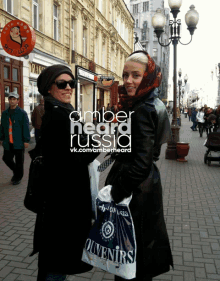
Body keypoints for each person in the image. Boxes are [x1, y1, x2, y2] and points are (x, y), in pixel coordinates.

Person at [104, 50, 173, 281]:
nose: (128, 81)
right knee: (139, 253)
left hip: (136, 191)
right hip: (145, 188)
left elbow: (141, 163)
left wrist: (117, 190)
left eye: (135, 75)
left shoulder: (142, 108)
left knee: (129, 257)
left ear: (149, 76)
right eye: (125, 75)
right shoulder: (148, 103)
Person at [33, 64, 100, 281]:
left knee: (54, 260)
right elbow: (85, 152)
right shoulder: (60, 116)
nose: (69, 87)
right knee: (57, 262)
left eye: (71, 83)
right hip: (63, 205)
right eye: (62, 83)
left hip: (60, 203)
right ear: (49, 88)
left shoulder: (63, 112)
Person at [0, 92, 30, 185]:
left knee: (19, 161)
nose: (12, 101)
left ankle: (18, 177)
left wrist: (26, 140)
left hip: (19, 141)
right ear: (8, 100)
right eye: (10, 99)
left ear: (17, 101)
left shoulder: (22, 113)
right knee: (6, 158)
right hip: (8, 142)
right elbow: (2, 127)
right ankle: (17, 172)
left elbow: (25, 127)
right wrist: (1, 138)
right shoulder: (4, 113)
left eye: (14, 99)